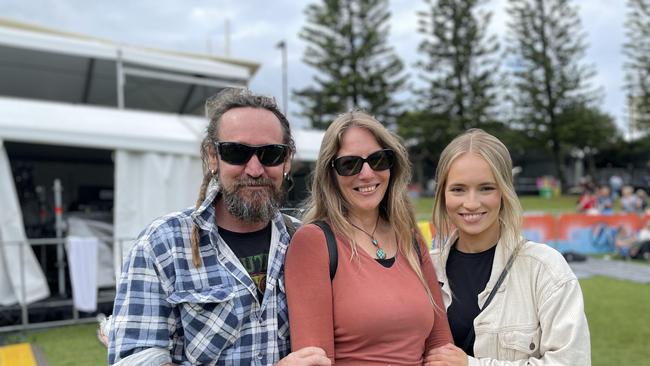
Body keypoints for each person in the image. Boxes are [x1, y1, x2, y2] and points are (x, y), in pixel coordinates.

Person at [108, 88, 330, 366]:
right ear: (212, 156)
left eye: (271, 154)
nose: (254, 169)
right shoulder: (162, 244)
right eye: (236, 152)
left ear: (287, 160)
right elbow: (137, 360)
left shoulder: (305, 241)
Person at [285, 111, 452, 365]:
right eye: (349, 164)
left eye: (378, 159)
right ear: (330, 174)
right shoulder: (314, 243)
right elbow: (315, 361)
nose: (366, 174)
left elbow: (441, 349)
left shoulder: (410, 239)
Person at [425, 129, 590, 365]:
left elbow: (572, 361)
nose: (471, 203)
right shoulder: (424, 269)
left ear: (504, 191)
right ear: (442, 194)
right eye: (458, 189)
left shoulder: (545, 269)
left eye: (486, 188)